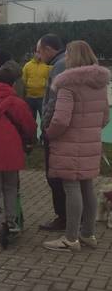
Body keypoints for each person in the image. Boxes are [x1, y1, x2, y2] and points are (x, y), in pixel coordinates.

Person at [42, 41, 109, 252]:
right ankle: (88, 234)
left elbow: (61, 120)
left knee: (71, 188)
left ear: (72, 57)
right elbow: (105, 117)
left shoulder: (67, 85)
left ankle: (70, 238)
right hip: (90, 143)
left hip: (69, 144)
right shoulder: (99, 84)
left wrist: (49, 134)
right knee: (87, 187)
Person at [0, 64, 37, 240]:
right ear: (13, 83)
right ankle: (11, 222)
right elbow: (29, 126)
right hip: (11, 151)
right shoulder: (17, 103)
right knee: (11, 188)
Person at [37, 33, 68, 231]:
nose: (38, 56)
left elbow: (52, 102)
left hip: (56, 130)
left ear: (49, 49)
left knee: (55, 176)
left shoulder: (59, 66)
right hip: (72, 131)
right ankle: (73, 215)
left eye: (40, 51)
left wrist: (45, 129)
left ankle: (63, 217)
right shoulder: (69, 61)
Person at [22, 50, 51, 122]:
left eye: (40, 52)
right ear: (34, 53)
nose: (39, 55)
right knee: (30, 120)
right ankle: (31, 133)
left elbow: (50, 80)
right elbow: (23, 80)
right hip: (29, 97)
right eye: (37, 52)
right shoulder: (27, 66)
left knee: (44, 119)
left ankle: (44, 133)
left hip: (43, 97)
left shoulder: (48, 66)